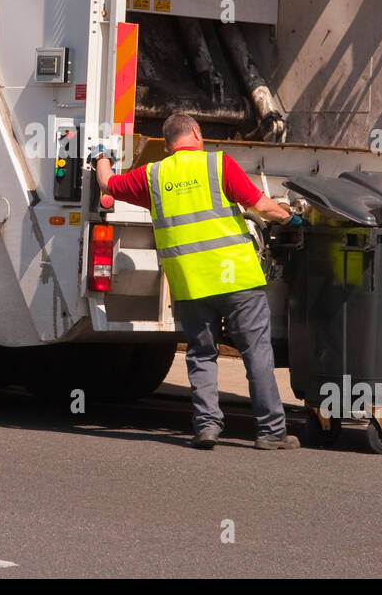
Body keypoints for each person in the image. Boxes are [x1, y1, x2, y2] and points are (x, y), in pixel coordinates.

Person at [89, 112, 305, 450]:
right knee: (256, 353)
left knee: (201, 355)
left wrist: (99, 155)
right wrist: (292, 218)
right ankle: (270, 432)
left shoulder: (153, 176)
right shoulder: (219, 165)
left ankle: (206, 427)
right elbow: (260, 204)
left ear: (167, 143)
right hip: (237, 282)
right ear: (196, 132)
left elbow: (108, 184)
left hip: (190, 285)